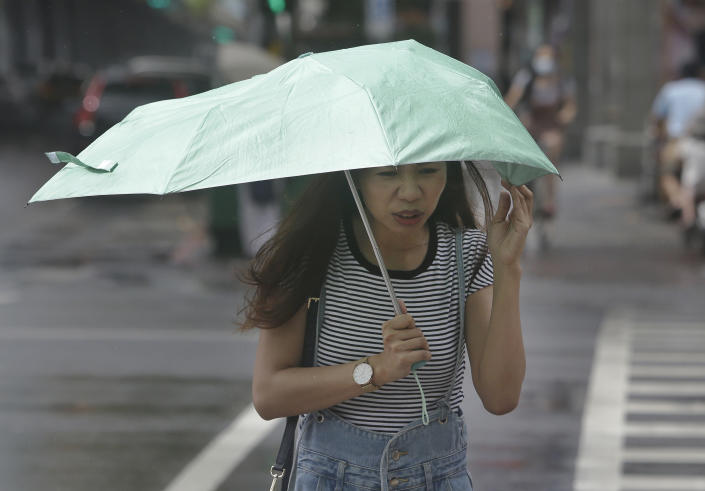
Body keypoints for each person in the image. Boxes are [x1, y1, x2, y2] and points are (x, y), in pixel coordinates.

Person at [242, 161, 532, 490]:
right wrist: (376, 369)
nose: (410, 193)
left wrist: (507, 267)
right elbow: (268, 394)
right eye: (388, 174)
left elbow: (501, 397)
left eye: (427, 171)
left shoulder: (465, 254)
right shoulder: (310, 254)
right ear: (356, 177)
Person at [504, 43, 577, 220]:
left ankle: (549, 201)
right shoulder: (526, 76)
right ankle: (519, 193)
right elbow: (512, 99)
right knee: (521, 155)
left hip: (551, 123)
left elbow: (570, 106)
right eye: (541, 55)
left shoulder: (562, 79)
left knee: (552, 153)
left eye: (548, 55)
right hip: (530, 122)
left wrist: (565, 116)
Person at [650, 60, 705, 218]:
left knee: (667, 174)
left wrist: (659, 137)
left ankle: (678, 201)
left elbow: (657, 118)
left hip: (675, 140)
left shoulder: (671, 89)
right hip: (700, 141)